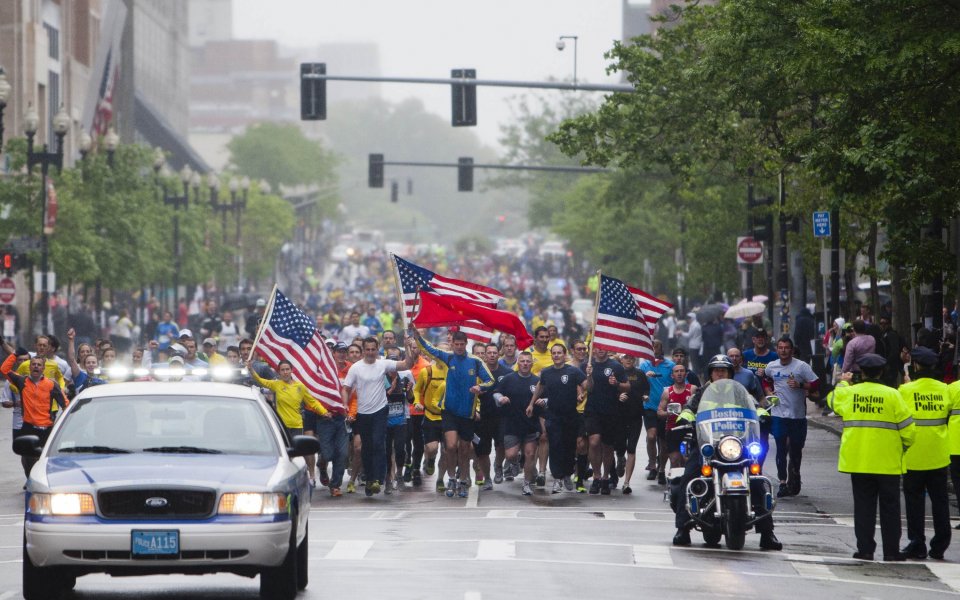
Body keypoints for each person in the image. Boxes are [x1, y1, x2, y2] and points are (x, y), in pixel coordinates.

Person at [670, 354, 781, 551]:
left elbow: (755, 407)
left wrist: (763, 414)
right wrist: (685, 418)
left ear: (730, 373)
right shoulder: (702, 392)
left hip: (738, 445)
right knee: (689, 478)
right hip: (709, 445)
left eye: (724, 370)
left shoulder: (741, 393)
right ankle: (682, 528)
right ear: (711, 373)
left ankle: (767, 533)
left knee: (757, 481)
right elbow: (688, 409)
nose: (720, 373)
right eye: (716, 370)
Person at [828, 353, 915, 561]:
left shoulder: (850, 393)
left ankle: (865, 550)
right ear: (882, 371)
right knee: (890, 509)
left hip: (859, 461)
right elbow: (909, 430)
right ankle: (892, 552)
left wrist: (843, 383)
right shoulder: (893, 395)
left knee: (864, 508)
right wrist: (902, 446)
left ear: (862, 373)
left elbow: (832, 401)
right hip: (888, 462)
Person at [414, 328, 494, 498]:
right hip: (449, 411)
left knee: (464, 450)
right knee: (450, 446)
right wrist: (418, 336)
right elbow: (430, 349)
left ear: (466, 344)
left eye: (461, 344)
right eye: (456, 344)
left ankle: (463, 480)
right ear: (452, 344)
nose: (458, 347)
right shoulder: (448, 357)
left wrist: (480, 387)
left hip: (467, 413)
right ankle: (451, 478)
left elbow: (490, 380)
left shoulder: (476, 361)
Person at [341, 336, 417, 496]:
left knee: (378, 444)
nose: (370, 352)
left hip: (380, 411)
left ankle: (378, 479)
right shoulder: (356, 368)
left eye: (373, 349)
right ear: (363, 351)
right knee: (366, 448)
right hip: (363, 413)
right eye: (367, 350)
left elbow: (407, 364)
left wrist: (407, 347)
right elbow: (346, 388)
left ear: (377, 350)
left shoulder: (383, 363)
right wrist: (345, 405)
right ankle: (369, 480)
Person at [899, 346, 952, 559]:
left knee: (914, 501)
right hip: (939, 454)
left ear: (916, 365)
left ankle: (917, 542)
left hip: (913, 455)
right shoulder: (944, 389)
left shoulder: (906, 390)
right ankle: (940, 543)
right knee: (940, 501)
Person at [1, 338, 68, 477]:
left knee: (45, 458)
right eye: (33, 364)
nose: (36, 366)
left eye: (39, 365)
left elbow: (65, 404)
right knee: (27, 457)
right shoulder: (22, 381)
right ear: (29, 367)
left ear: (43, 368)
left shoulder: (51, 384)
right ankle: (30, 478)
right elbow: (4, 369)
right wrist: (14, 355)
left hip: (47, 427)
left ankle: (45, 479)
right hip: (28, 426)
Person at [530, 343, 588, 494]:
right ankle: (557, 478)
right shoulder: (546, 372)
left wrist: (590, 375)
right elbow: (540, 387)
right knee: (555, 446)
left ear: (564, 354)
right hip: (553, 416)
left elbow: (587, 385)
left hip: (570, 416)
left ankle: (567, 473)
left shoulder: (574, 371)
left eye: (559, 353)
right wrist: (531, 403)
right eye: (554, 353)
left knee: (569, 447)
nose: (556, 355)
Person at [766, 336, 819, 497]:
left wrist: (801, 385)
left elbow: (816, 383)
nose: (783, 351)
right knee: (781, 448)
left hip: (797, 415)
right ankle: (782, 482)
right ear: (777, 350)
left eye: (786, 348)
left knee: (796, 449)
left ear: (792, 349)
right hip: (778, 414)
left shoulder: (801, 367)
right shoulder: (772, 366)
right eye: (780, 348)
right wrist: (769, 392)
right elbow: (766, 380)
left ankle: (795, 474)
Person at [494, 352, 542, 495]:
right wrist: (501, 398)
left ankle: (526, 484)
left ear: (532, 363)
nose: (525, 364)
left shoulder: (537, 381)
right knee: (510, 455)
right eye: (522, 361)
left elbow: (548, 397)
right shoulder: (509, 379)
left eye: (528, 361)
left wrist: (544, 402)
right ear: (518, 363)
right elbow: (496, 392)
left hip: (530, 425)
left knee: (530, 454)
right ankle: (514, 462)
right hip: (512, 424)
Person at [584, 346, 628, 495]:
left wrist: (617, 384)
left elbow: (627, 387)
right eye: (597, 348)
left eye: (603, 347)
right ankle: (596, 476)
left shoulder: (615, 366)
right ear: (593, 350)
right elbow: (588, 389)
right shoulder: (589, 364)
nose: (600, 350)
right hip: (592, 410)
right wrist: (589, 376)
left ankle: (605, 477)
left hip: (611, 411)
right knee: (594, 441)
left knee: (608, 446)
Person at [638, 341, 674, 482]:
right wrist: (645, 377)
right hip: (649, 407)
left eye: (656, 347)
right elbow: (638, 384)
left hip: (665, 408)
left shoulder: (670, 366)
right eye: (651, 348)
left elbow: (678, 383)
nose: (654, 350)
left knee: (663, 442)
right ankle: (652, 465)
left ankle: (661, 469)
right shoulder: (644, 365)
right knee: (651, 436)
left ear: (661, 349)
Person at [477, 344, 511, 489]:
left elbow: (512, 391)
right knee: (483, 450)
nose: (491, 355)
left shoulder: (507, 373)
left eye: (494, 352)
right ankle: (487, 479)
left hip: (502, 416)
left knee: (501, 445)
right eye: (488, 353)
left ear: (499, 354)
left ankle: (498, 465)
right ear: (484, 355)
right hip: (482, 416)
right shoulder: (477, 372)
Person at [413, 347, 448, 491]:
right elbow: (416, 389)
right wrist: (416, 402)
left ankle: (440, 479)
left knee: (447, 451)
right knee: (432, 448)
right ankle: (430, 459)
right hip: (430, 416)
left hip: (448, 417)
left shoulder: (453, 372)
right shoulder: (426, 371)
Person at [657, 363, 696, 474]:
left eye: (682, 371)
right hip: (673, 429)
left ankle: (686, 483)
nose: (679, 373)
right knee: (674, 460)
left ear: (686, 374)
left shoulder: (692, 389)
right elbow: (659, 412)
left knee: (686, 460)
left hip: (689, 429)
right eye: (676, 371)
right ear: (672, 376)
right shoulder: (667, 392)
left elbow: (701, 407)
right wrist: (669, 413)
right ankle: (674, 486)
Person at [618, 354, 649, 492]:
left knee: (631, 448)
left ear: (635, 360)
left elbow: (646, 389)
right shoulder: (616, 372)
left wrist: (645, 396)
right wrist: (618, 396)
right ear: (621, 359)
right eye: (626, 357)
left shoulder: (640, 374)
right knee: (619, 446)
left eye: (631, 358)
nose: (629, 360)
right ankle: (619, 458)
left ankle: (626, 483)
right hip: (618, 415)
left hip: (636, 415)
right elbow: (609, 390)